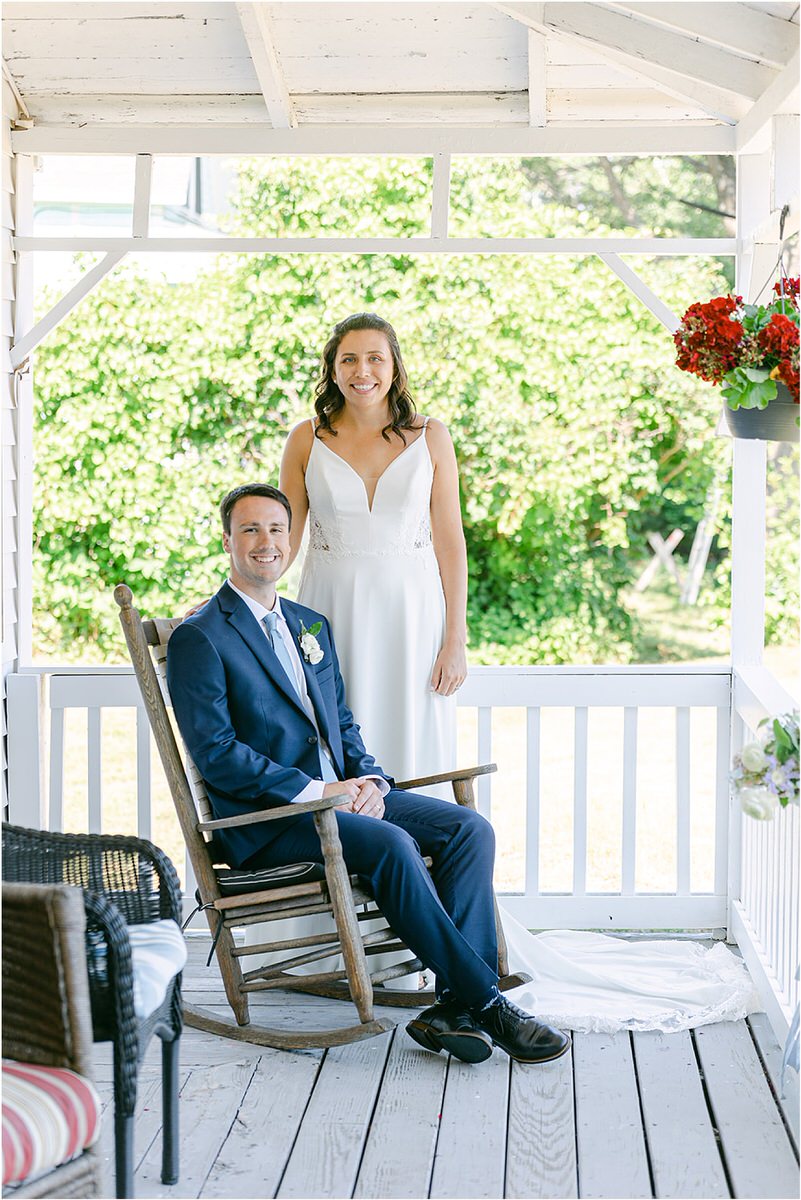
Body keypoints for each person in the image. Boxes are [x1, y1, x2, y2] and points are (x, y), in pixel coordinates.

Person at [166, 482, 571, 1066]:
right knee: (391, 844)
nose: (266, 543)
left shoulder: (309, 624)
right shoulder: (200, 635)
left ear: (291, 540)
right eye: (250, 530)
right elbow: (218, 754)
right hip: (270, 817)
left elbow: (343, 726)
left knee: (467, 830)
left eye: (277, 530)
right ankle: (486, 1003)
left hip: (340, 796)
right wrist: (320, 792)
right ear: (227, 540)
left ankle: (454, 1005)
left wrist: (371, 783)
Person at [279, 312, 465, 786]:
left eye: (375, 358)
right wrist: (229, 595)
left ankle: (422, 849)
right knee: (335, 735)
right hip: (329, 613)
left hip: (414, 620)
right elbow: (281, 538)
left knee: (412, 738)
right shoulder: (306, 438)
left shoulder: (432, 437)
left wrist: (455, 640)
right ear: (333, 369)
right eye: (350, 360)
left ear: (394, 367)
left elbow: (450, 542)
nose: (363, 371)